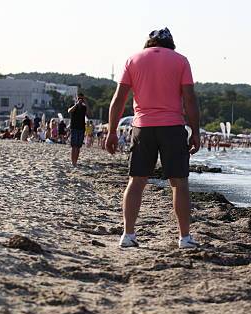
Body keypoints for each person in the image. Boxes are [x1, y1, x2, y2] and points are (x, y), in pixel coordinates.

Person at [106, 27, 200, 249]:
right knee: (179, 183)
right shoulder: (180, 61)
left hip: (143, 127)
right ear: (171, 44)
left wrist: (111, 131)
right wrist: (195, 131)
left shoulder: (133, 59)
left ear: (149, 43)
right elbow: (190, 99)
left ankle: (128, 235)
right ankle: (184, 238)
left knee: (136, 181)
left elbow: (118, 99)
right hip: (172, 127)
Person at [68, 93, 88, 166]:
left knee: (78, 146)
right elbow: (69, 111)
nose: (80, 100)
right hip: (74, 127)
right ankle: (73, 162)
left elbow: (89, 113)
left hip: (81, 128)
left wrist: (86, 103)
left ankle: (75, 162)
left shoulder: (84, 107)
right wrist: (76, 104)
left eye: (81, 99)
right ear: (76, 98)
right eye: (79, 98)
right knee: (74, 146)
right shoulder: (73, 105)